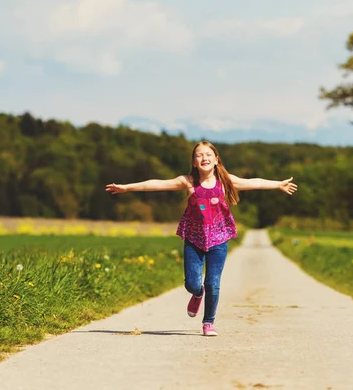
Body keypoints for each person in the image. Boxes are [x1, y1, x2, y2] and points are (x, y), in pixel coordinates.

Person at [105, 141, 297, 336]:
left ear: (216, 159)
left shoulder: (225, 181)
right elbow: (156, 184)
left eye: (208, 154)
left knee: (213, 283)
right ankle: (197, 294)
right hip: (194, 238)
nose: (204, 158)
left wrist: (278, 184)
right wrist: (127, 188)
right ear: (194, 162)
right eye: (199, 155)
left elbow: (254, 182)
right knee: (192, 283)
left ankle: (208, 322)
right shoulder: (187, 181)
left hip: (219, 239)